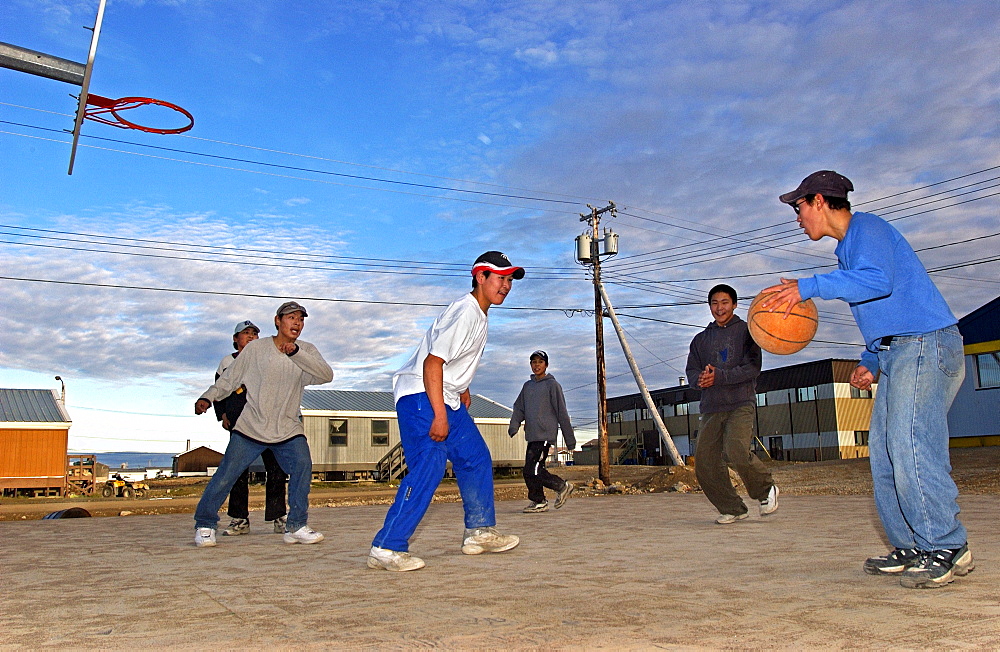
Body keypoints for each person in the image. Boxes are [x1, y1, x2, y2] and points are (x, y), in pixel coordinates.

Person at [764, 170, 973, 589]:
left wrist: (809, 286)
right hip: (900, 350)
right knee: (885, 452)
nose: (798, 217)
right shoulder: (847, 252)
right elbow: (883, 309)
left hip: (926, 344)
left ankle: (948, 545)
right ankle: (912, 544)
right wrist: (871, 359)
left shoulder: (868, 228)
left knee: (912, 444)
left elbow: (880, 281)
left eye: (799, 207)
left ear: (820, 201)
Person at [368, 251, 524, 572]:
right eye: (500, 278)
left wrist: (462, 387)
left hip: (445, 393)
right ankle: (387, 546)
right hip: (421, 394)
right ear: (480, 277)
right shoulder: (465, 312)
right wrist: (439, 414)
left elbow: (450, 359)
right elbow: (432, 362)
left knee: (475, 456)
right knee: (430, 463)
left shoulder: (479, 314)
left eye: (509, 279)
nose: (506, 285)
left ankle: (479, 531)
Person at [193, 301, 333, 548]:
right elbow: (230, 378)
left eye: (301, 319)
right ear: (278, 321)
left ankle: (296, 525)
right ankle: (205, 524)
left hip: (288, 427)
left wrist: (296, 354)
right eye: (291, 318)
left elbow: (325, 375)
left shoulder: (306, 350)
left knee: (302, 465)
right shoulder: (256, 349)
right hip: (251, 428)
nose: (297, 323)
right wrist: (208, 397)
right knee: (227, 475)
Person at [686, 284, 778, 524]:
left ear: (735, 304)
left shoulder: (748, 333)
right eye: (715, 303)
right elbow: (692, 372)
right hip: (711, 407)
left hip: (740, 403)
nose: (719, 308)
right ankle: (733, 508)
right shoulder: (700, 340)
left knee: (735, 450)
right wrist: (701, 380)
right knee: (704, 463)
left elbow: (752, 368)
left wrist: (720, 376)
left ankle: (766, 490)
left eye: (725, 302)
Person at [213, 320, 289, 537]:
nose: (250, 337)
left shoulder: (267, 358)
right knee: (237, 471)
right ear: (236, 339)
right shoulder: (227, 362)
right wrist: (223, 415)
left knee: (276, 470)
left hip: (268, 423)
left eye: (254, 334)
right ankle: (239, 519)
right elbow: (219, 390)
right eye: (245, 333)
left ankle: (278, 516)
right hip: (241, 426)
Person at [508, 350, 577, 513]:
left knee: (534, 469)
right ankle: (539, 500)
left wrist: (570, 439)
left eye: (540, 362)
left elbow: (561, 411)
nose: (536, 365)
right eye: (533, 362)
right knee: (529, 470)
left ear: (546, 364)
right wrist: (514, 424)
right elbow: (519, 407)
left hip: (545, 435)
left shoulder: (552, 385)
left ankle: (561, 486)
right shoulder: (527, 386)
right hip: (532, 435)